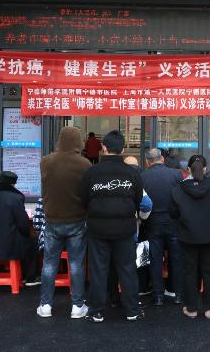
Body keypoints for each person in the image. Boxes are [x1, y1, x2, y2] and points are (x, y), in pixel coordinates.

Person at [82, 130, 144, 323]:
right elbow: (138, 200)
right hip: (124, 229)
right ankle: (132, 310)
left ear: (103, 148)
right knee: (127, 269)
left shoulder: (91, 172)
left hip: (97, 229)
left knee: (98, 270)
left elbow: (83, 199)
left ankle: (96, 311)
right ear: (123, 149)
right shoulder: (132, 173)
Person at [38, 126, 90, 319]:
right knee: (76, 264)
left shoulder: (46, 161)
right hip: (77, 220)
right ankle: (77, 306)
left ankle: (45, 305)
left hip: (52, 220)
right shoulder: (85, 164)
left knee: (49, 264)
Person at [169, 155, 210, 319]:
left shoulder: (178, 189)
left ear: (188, 169)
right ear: (205, 169)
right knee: (209, 271)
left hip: (187, 236)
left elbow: (172, 213)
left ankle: (192, 308)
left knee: (190, 271)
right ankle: (209, 309)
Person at [142, 147, 185, 306]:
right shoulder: (176, 174)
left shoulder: (142, 177)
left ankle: (158, 296)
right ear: (162, 159)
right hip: (173, 221)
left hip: (153, 222)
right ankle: (178, 294)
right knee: (176, 258)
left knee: (155, 259)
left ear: (147, 162)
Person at [0, 171, 39, 286]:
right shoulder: (16, 198)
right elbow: (23, 225)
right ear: (13, 185)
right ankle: (29, 278)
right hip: (10, 247)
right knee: (33, 242)